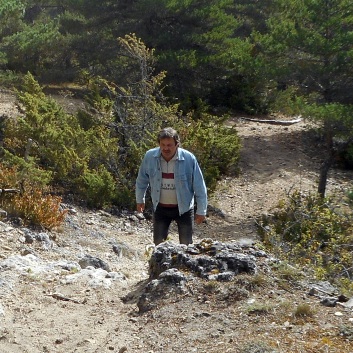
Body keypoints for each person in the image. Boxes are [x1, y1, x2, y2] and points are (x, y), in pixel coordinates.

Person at [136, 127, 207, 245]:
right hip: (160, 208)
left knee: (186, 245)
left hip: (184, 208)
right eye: (163, 144)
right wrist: (140, 200)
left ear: (177, 144)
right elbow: (141, 180)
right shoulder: (150, 157)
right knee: (159, 244)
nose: (165, 148)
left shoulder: (189, 158)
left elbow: (199, 186)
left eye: (169, 145)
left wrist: (201, 210)